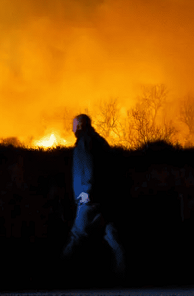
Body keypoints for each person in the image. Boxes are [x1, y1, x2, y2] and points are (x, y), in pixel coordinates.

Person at [62, 114, 125, 277]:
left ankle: (60, 271)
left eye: (74, 125)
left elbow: (90, 166)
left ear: (80, 126)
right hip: (104, 197)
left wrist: (87, 191)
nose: (72, 128)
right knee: (111, 233)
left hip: (89, 199)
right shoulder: (100, 141)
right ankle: (123, 269)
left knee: (77, 234)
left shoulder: (84, 141)